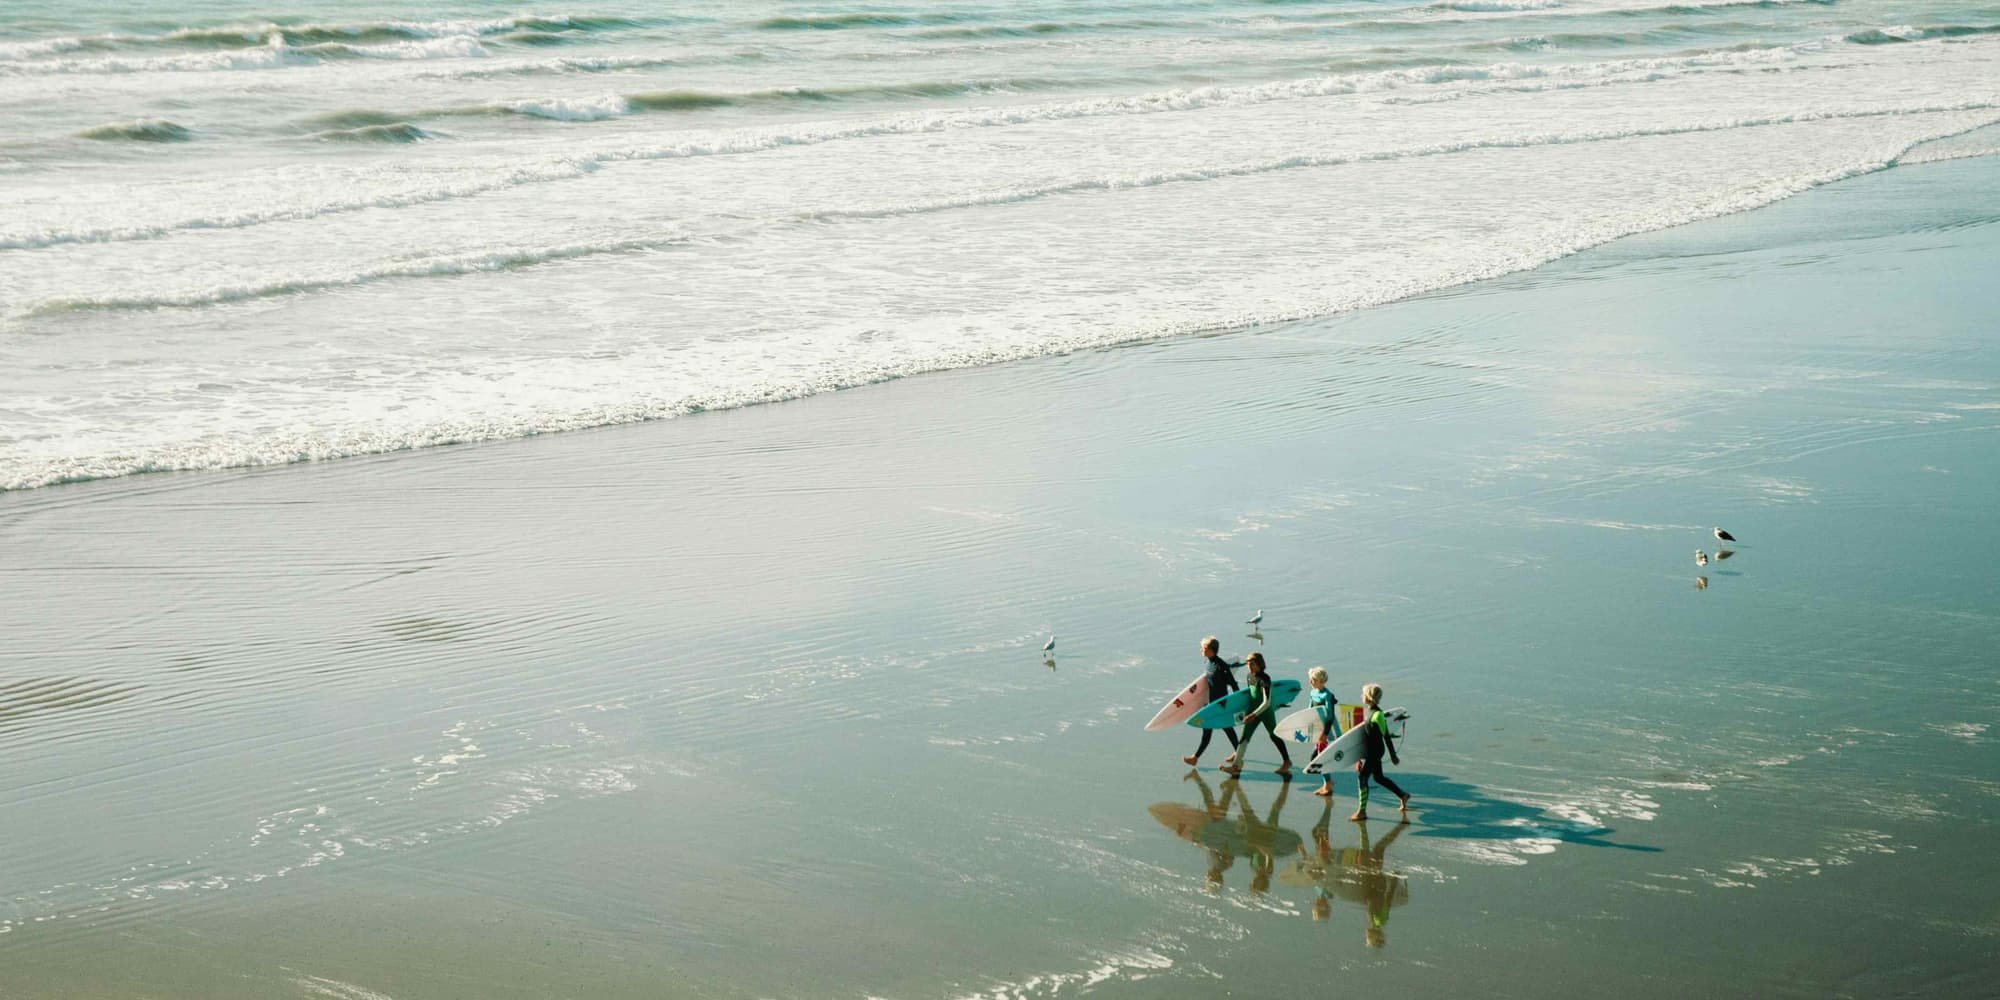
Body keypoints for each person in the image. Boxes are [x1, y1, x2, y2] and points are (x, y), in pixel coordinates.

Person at [1221, 652, 1292, 777]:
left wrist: (1253, 714)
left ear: (1260, 664)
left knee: (1273, 735)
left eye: (1252, 664)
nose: (1250, 666)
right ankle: (1236, 766)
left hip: (1265, 712)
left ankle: (1287, 761)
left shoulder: (1265, 679)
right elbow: (1249, 696)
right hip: (1252, 711)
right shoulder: (1249, 676)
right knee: (1244, 738)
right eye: (1248, 664)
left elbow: (1267, 702)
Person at [1350, 683, 1408, 821]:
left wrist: (1393, 755)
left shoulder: (1378, 715)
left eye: (1363, 694)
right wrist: (1359, 758)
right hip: (1369, 750)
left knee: (1362, 778)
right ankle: (1403, 795)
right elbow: (1361, 737)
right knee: (1378, 777)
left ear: (1368, 697)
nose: (1361, 696)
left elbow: (1386, 735)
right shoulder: (1367, 712)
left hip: (1375, 751)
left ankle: (1362, 811)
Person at [1182, 636, 1240, 767]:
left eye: (1203, 648)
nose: (1201, 650)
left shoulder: (1221, 665)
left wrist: (1236, 704)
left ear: (1210, 650)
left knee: (1212, 728)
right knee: (1224, 728)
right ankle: (1238, 752)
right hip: (1211, 703)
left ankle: (1195, 757)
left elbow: (1233, 684)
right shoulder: (1207, 662)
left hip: (1220, 704)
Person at [1306, 667, 1338, 798]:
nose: (1310, 682)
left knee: (1319, 759)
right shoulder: (1313, 692)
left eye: (1312, 680)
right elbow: (1309, 710)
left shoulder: (1327, 695)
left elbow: (1330, 716)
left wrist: (1325, 734)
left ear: (1320, 681)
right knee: (1314, 758)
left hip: (1325, 731)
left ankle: (1328, 784)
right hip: (1317, 730)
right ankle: (1328, 781)